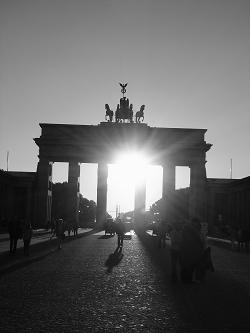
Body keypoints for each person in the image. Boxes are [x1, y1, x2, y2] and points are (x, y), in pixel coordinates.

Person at [179, 218, 204, 283]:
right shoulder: (192, 230)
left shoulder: (185, 229)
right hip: (192, 251)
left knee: (187, 265)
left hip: (188, 250)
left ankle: (186, 279)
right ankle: (188, 279)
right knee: (191, 265)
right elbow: (199, 240)